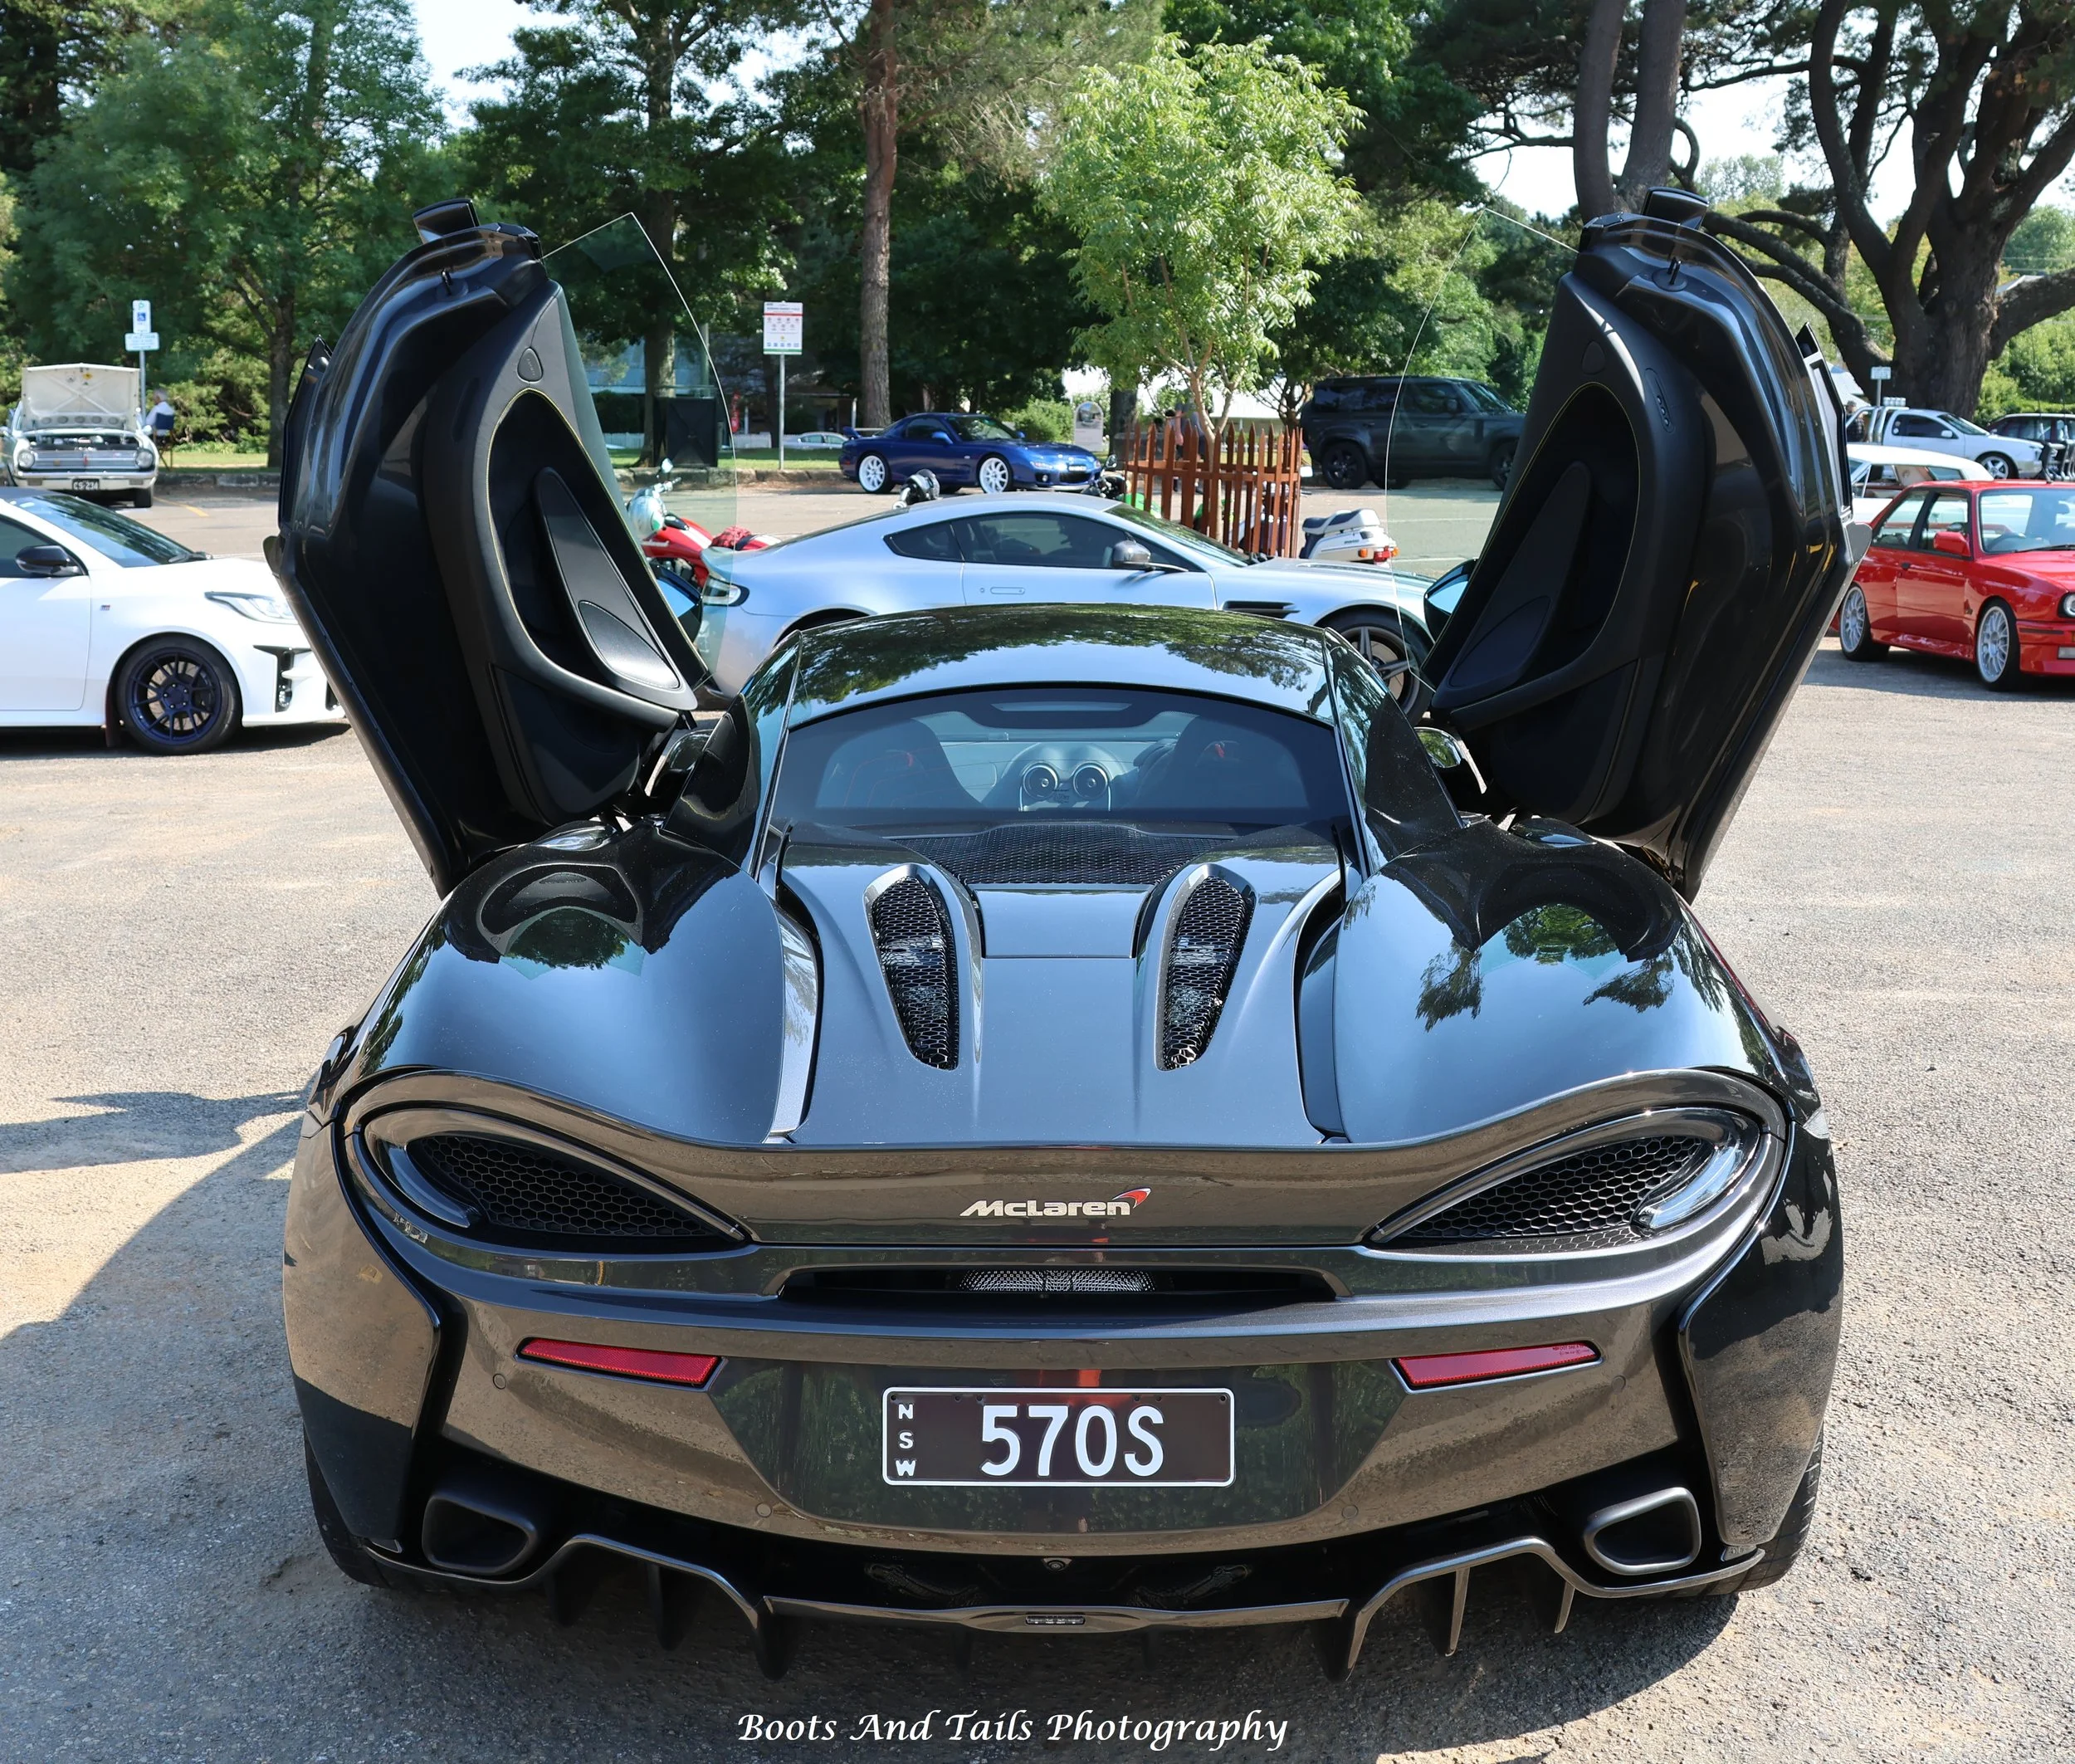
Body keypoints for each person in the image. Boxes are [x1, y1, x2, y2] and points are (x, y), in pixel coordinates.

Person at [146, 390, 176, 458]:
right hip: (165, 437)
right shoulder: (171, 410)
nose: (153, 399)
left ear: (158, 398)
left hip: (154, 436)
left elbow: (148, 422)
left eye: (154, 398)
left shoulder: (157, 408)